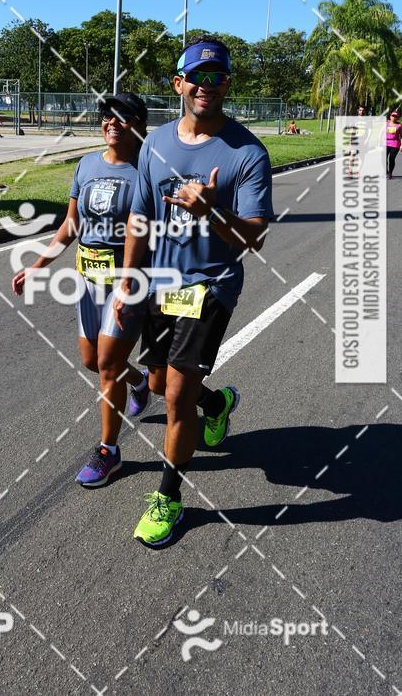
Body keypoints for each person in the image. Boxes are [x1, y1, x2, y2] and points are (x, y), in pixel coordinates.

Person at [114, 36, 274, 548]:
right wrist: (127, 280)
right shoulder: (156, 144)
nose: (208, 85)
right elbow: (140, 217)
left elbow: (255, 237)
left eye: (218, 76)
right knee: (160, 387)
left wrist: (211, 211)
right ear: (179, 83)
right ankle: (217, 404)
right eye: (197, 77)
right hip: (163, 283)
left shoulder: (248, 152)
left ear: (228, 83)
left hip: (212, 285)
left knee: (176, 393)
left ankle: (169, 499)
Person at [12, 92, 151, 486]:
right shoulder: (86, 164)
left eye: (122, 117)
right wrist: (38, 267)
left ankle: (110, 450)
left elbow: (144, 234)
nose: (111, 122)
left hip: (127, 284)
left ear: (139, 124)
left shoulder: (146, 172)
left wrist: (127, 285)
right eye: (106, 116)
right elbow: (71, 225)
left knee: (107, 366)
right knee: (93, 361)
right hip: (87, 281)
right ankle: (138, 381)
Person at [386, 109, 402, 179]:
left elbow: (401, 136)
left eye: (396, 116)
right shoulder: (386, 123)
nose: (394, 117)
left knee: (391, 159)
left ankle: (390, 173)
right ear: (390, 116)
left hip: (395, 144)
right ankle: (386, 170)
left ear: (398, 117)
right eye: (393, 116)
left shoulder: (399, 125)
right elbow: (381, 133)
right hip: (386, 142)